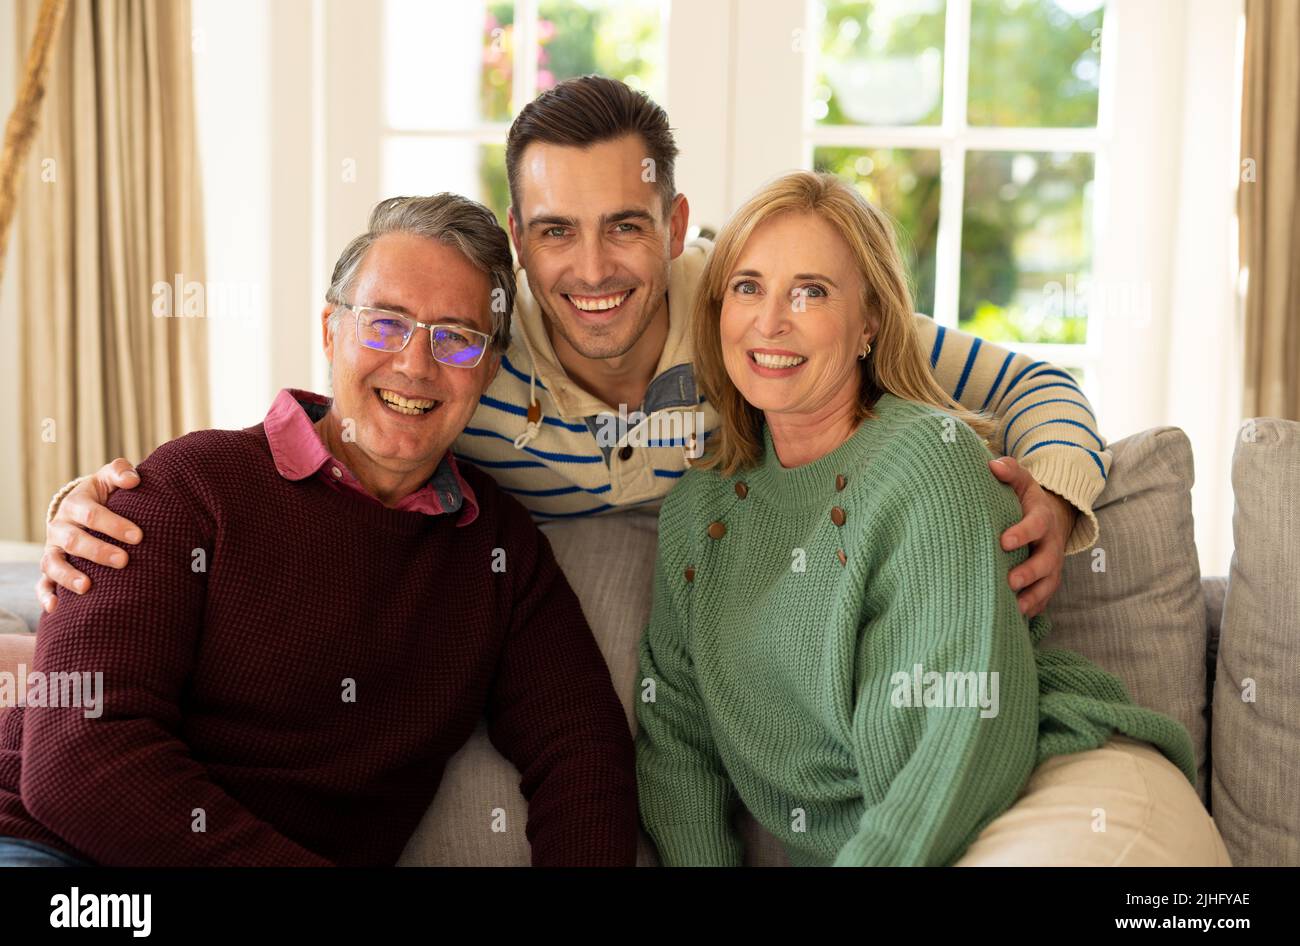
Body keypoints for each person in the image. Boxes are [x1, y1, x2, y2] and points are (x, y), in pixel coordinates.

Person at [38, 76, 1103, 621]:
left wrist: (1053, 491)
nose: (591, 270)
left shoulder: (755, 318)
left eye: (625, 227)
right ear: (516, 238)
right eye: (554, 231)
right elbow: (311, 452)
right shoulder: (461, 365)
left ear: (680, 225)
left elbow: (1032, 380)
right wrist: (100, 503)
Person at [0, 194, 637, 867]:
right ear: (331, 331)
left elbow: (582, 751)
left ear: (487, 368)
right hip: (54, 851)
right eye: (385, 323)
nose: (416, 366)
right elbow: (76, 759)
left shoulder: (499, 549)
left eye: (456, 337)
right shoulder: (187, 485)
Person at [634, 170, 1231, 867]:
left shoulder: (927, 460)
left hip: (1049, 798)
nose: (771, 321)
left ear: (871, 321)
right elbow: (675, 741)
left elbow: (964, 726)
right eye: (747, 286)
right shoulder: (697, 512)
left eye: (812, 291)